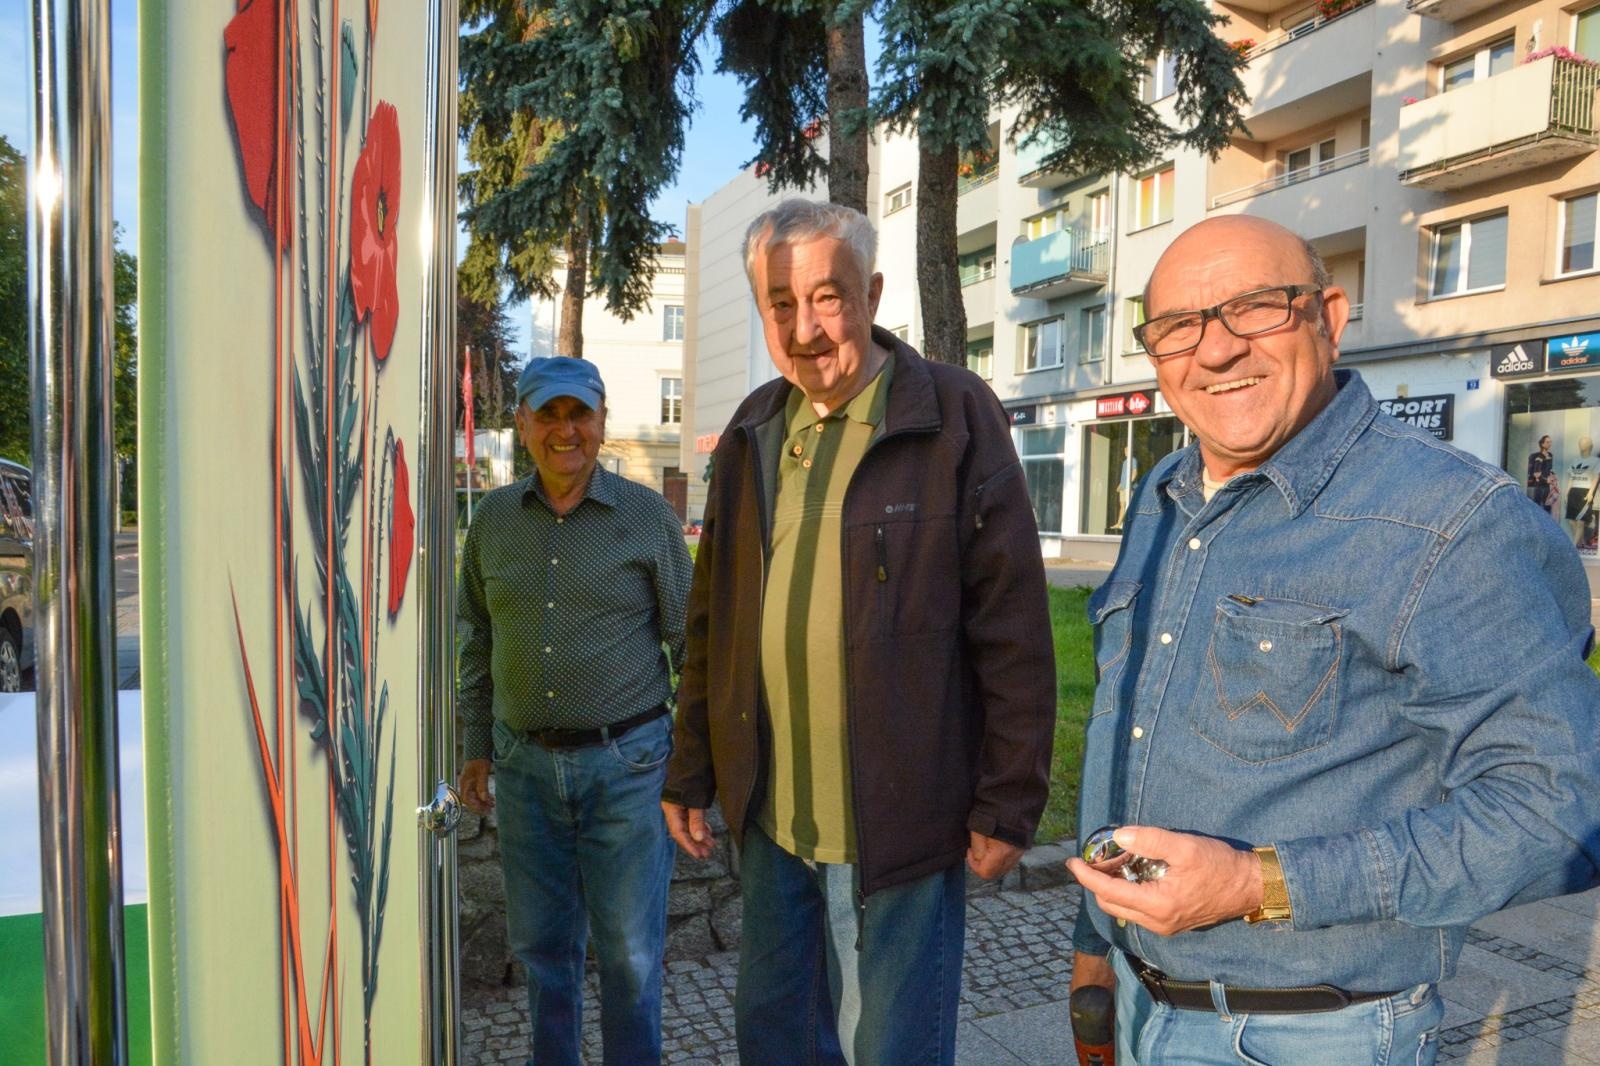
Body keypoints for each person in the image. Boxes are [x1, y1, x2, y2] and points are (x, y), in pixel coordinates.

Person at [1065, 215, 1600, 1065]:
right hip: (1139, 1000)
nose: (1215, 351)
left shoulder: (1451, 521)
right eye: (1177, 327)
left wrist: (1256, 885)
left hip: (1317, 1033)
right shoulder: (1166, 492)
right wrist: (1095, 944)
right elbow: (1125, 728)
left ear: (1329, 315)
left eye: (1255, 308)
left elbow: (1558, 810)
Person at [661, 198, 1056, 1065]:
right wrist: (691, 767)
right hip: (771, 822)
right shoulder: (753, 429)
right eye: (780, 305)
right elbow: (713, 621)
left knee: (893, 1050)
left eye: (828, 298)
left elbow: (1015, 625)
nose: (804, 329)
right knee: (776, 1041)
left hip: (900, 824)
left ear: (872, 293)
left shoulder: (951, 413)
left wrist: (1009, 798)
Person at [456, 356, 692, 1066]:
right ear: (522, 424)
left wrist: (699, 769)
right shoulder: (492, 521)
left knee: (630, 957)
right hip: (524, 768)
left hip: (629, 766)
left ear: (601, 422)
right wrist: (475, 746)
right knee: (541, 951)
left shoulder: (647, 517)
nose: (566, 430)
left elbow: (689, 642)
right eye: (549, 414)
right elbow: (478, 639)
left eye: (579, 414)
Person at [1527, 434, 1554, 508]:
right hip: (1539, 485)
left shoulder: (1550, 455)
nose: (1550, 444)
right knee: (1537, 507)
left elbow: (1550, 469)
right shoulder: (1537, 456)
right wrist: (1545, 480)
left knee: (1547, 507)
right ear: (1542, 444)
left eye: (1550, 442)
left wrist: (1552, 476)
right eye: (1547, 442)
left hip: (1547, 486)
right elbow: (1535, 473)